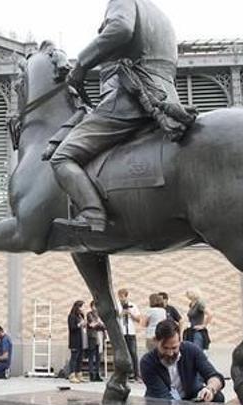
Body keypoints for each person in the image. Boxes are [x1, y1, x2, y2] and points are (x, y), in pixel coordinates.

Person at [45, 0, 195, 232]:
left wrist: (82, 64)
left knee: (61, 158)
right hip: (164, 96)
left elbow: (121, 29)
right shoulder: (159, 15)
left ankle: (92, 214)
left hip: (129, 98)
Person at [140, 319, 225, 402]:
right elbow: (164, 399)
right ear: (156, 341)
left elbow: (215, 376)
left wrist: (210, 389)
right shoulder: (147, 362)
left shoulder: (191, 350)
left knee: (217, 397)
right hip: (162, 404)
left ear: (180, 341)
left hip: (191, 397)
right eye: (165, 348)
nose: (170, 353)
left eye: (174, 348)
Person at [117, 288, 142, 381]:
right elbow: (114, 318)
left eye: (122, 296)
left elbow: (139, 319)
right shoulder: (117, 306)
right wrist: (121, 314)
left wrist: (130, 314)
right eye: (119, 296)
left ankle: (137, 375)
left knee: (133, 353)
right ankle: (127, 374)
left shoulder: (133, 305)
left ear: (126, 296)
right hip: (121, 332)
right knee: (124, 354)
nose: (120, 298)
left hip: (131, 332)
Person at [86, 299, 106, 382]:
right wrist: (98, 323)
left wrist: (99, 323)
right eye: (94, 306)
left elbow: (104, 325)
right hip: (93, 337)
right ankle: (91, 374)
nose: (96, 308)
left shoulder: (101, 314)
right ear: (92, 306)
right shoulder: (89, 314)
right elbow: (92, 324)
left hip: (101, 336)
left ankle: (97, 374)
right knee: (91, 355)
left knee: (99, 356)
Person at [67, 300, 86, 384]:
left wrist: (84, 324)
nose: (83, 308)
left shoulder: (81, 316)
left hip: (81, 340)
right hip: (74, 341)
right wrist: (79, 324)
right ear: (78, 307)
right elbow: (72, 328)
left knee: (80, 358)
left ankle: (79, 374)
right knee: (74, 358)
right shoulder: (72, 316)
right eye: (82, 306)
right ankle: (72, 375)